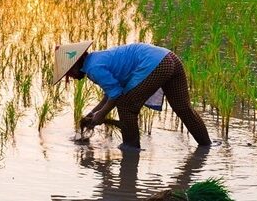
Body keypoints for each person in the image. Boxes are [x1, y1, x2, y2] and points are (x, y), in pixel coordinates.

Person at [54, 42, 211, 149]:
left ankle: (130, 149)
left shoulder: (93, 69)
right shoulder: (97, 59)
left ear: (75, 66)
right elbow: (109, 95)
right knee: (184, 108)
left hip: (156, 64)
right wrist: (92, 113)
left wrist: (101, 115)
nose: (72, 78)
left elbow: (116, 95)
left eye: (69, 74)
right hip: (169, 58)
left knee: (126, 106)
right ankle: (206, 146)